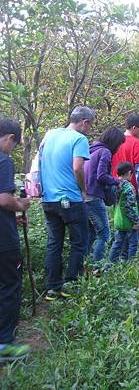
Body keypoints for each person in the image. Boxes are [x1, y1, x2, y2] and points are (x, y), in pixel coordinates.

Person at [40, 106, 94, 300]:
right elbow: (78, 167)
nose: (90, 129)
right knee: (79, 242)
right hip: (70, 199)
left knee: (54, 243)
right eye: (90, 125)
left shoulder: (50, 134)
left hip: (49, 199)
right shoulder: (79, 139)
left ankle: (53, 287)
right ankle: (71, 284)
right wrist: (83, 190)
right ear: (84, 122)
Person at [0, 119, 32, 361]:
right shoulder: (3, 161)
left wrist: (13, 218)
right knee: (10, 285)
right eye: (14, 143)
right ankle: (4, 344)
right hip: (3, 240)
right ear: (9, 137)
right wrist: (21, 204)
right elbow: (4, 199)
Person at [84, 127, 125, 265]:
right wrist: (117, 181)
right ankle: (98, 266)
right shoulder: (105, 152)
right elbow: (101, 176)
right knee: (104, 235)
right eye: (119, 144)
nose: (119, 148)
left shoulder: (92, 150)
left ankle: (83, 264)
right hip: (94, 196)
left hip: (84, 196)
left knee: (91, 233)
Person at [111, 113, 139, 206]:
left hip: (114, 187)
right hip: (130, 190)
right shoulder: (137, 144)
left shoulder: (115, 141)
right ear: (134, 127)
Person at [109, 162, 139, 262]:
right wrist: (135, 221)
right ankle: (131, 264)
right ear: (129, 173)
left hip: (118, 219)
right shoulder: (128, 188)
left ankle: (112, 262)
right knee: (133, 243)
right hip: (128, 221)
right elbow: (130, 206)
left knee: (117, 242)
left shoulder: (114, 186)